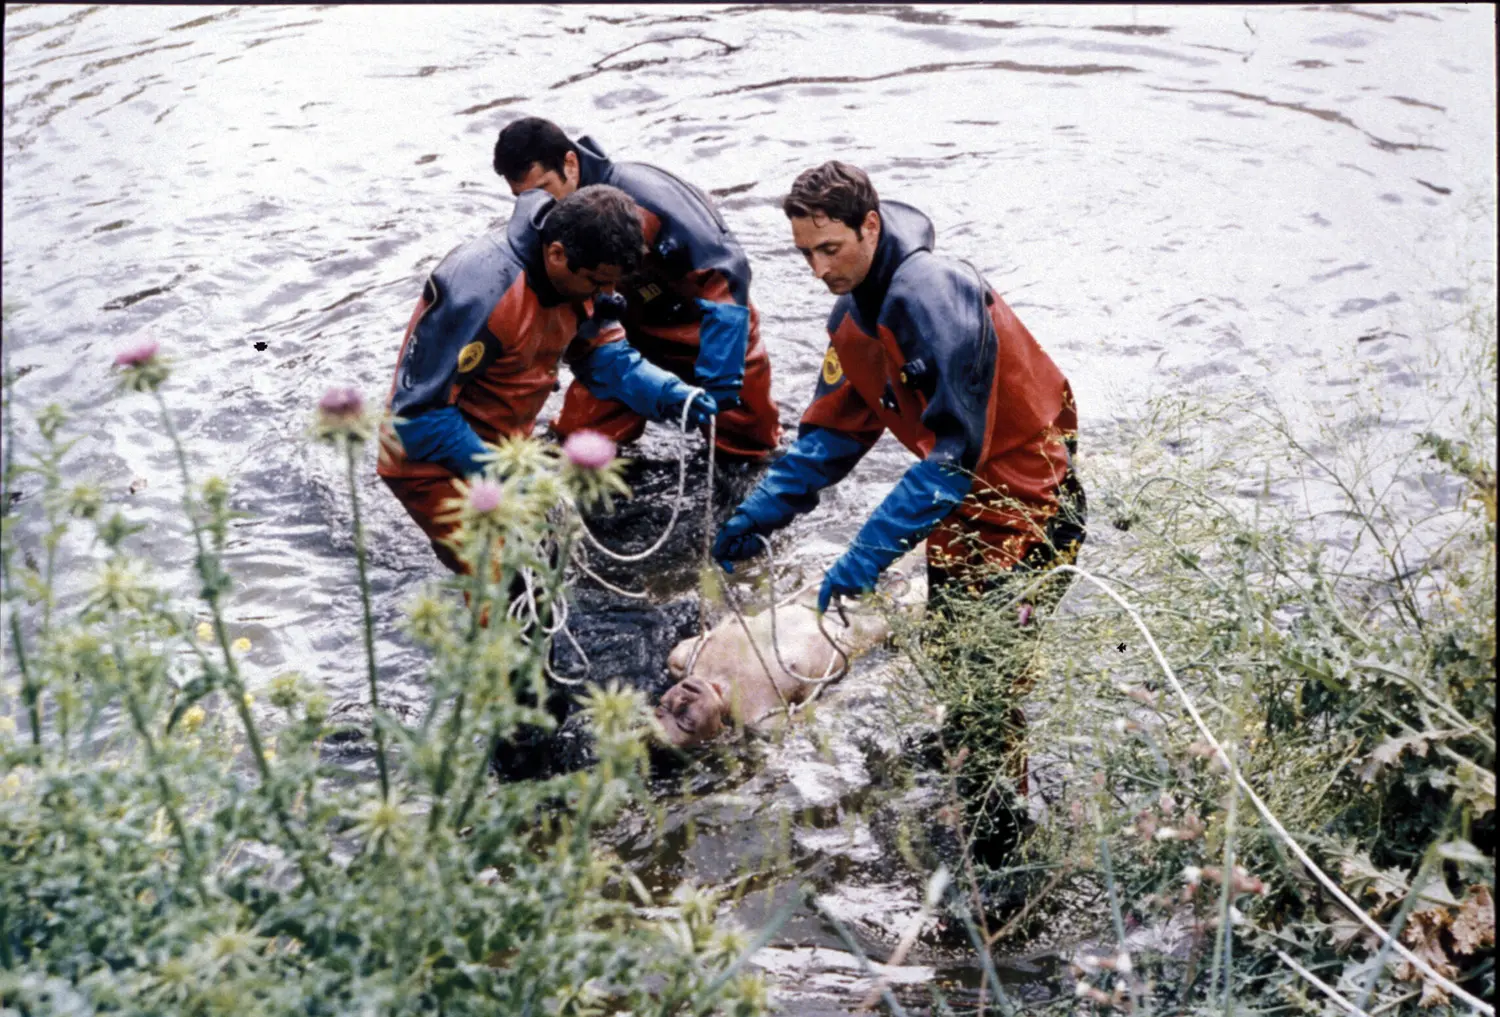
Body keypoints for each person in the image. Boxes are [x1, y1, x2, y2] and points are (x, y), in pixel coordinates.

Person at [711, 161, 1086, 864]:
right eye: (805, 254)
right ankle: (972, 779)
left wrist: (865, 556)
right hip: (958, 520)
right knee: (952, 659)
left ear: (871, 226)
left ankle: (1004, 851)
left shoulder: (937, 296)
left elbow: (953, 458)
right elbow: (829, 438)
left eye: (831, 249)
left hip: (1031, 507)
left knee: (988, 683)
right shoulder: (853, 321)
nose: (819, 270)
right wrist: (758, 514)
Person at [377, 183, 717, 575]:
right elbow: (416, 418)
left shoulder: (583, 274)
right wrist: (509, 476)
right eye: (597, 282)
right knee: (507, 577)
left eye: (612, 283)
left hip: (507, 444)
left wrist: (669, 394)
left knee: (545, 560)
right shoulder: (480, 290)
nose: (606, 295)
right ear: (556, 254)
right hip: (427, 462)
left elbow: (603, 355)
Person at [493, 116, 781, 460]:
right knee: (576, 450)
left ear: (570, 163)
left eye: (544, 189)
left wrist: (721, 377)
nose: (536, 206)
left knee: (748, 453)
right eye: (523, 198)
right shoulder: (546, 224)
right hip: (624, 340)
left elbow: (727, 270)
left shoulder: (648, 197)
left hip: (706, 334)